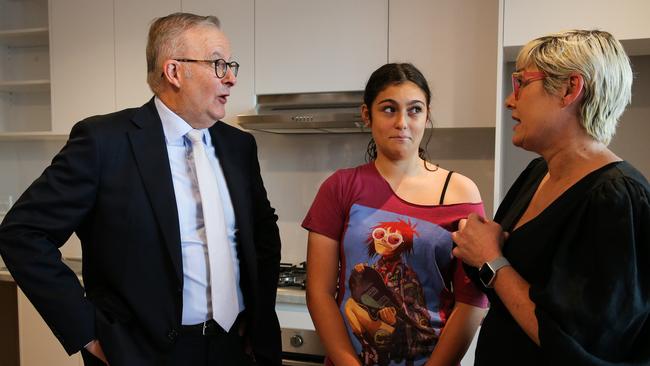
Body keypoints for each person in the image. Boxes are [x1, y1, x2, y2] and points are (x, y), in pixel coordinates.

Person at [0, 12, 282, 366]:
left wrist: (256, 318)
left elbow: (263, 236)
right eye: (218, 64)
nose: (231, 79)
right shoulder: (104, 142)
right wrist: (86, 333)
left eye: (231, 65)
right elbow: (23, 233)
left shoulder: (239, 146)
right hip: (142, 354)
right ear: (174, 71)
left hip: (232, 350)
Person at [452, 30, 650, 365]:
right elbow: (503, 288)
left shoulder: (616, 198)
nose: (509, 100)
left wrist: (491, 259)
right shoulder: (535, 174)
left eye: (521, 83)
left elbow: (577, 344)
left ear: (570, 89)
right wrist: (481, 254)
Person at [302, 63, 489, 366]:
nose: (402, 122)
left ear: (427, 116)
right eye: (389, 109)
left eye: (414, 110)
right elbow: (319, 292)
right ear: (367, 115)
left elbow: (472, 300)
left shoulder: (459, 192)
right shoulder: (340, 187)